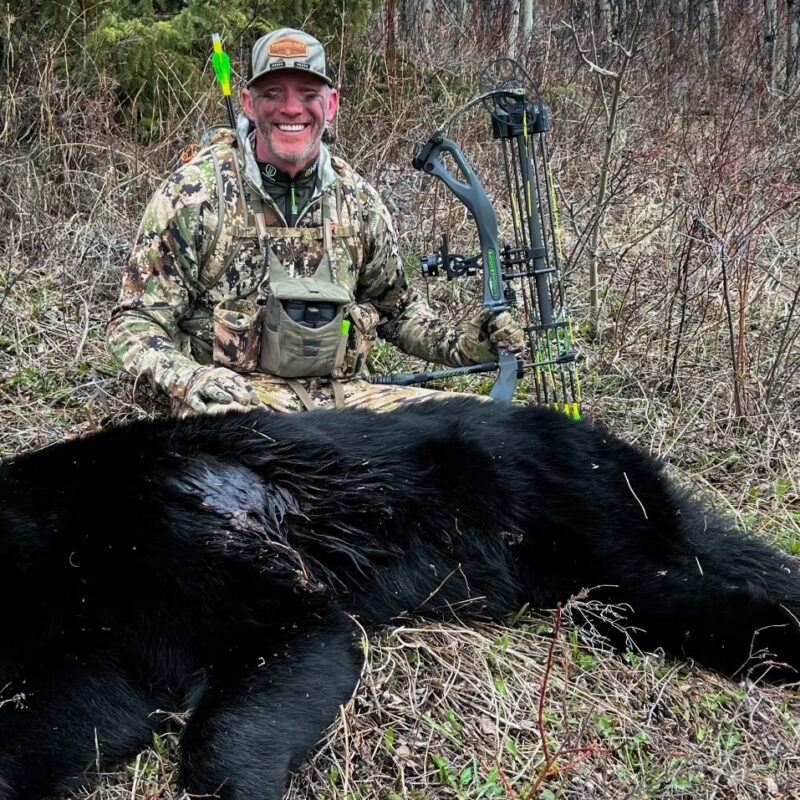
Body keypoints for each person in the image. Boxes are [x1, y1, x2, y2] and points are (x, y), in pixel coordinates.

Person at [107, 27, 523, 414]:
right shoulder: (194, 194)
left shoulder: (358, 200)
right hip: (241, 406)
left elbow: (396, 310)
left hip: (347, 405)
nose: (291, 108)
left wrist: (464, 345)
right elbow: (134, 322)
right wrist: (190, 378)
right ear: (249, 103)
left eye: (308, 93)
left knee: (490, 429)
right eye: (273, 93)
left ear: (331, 104)